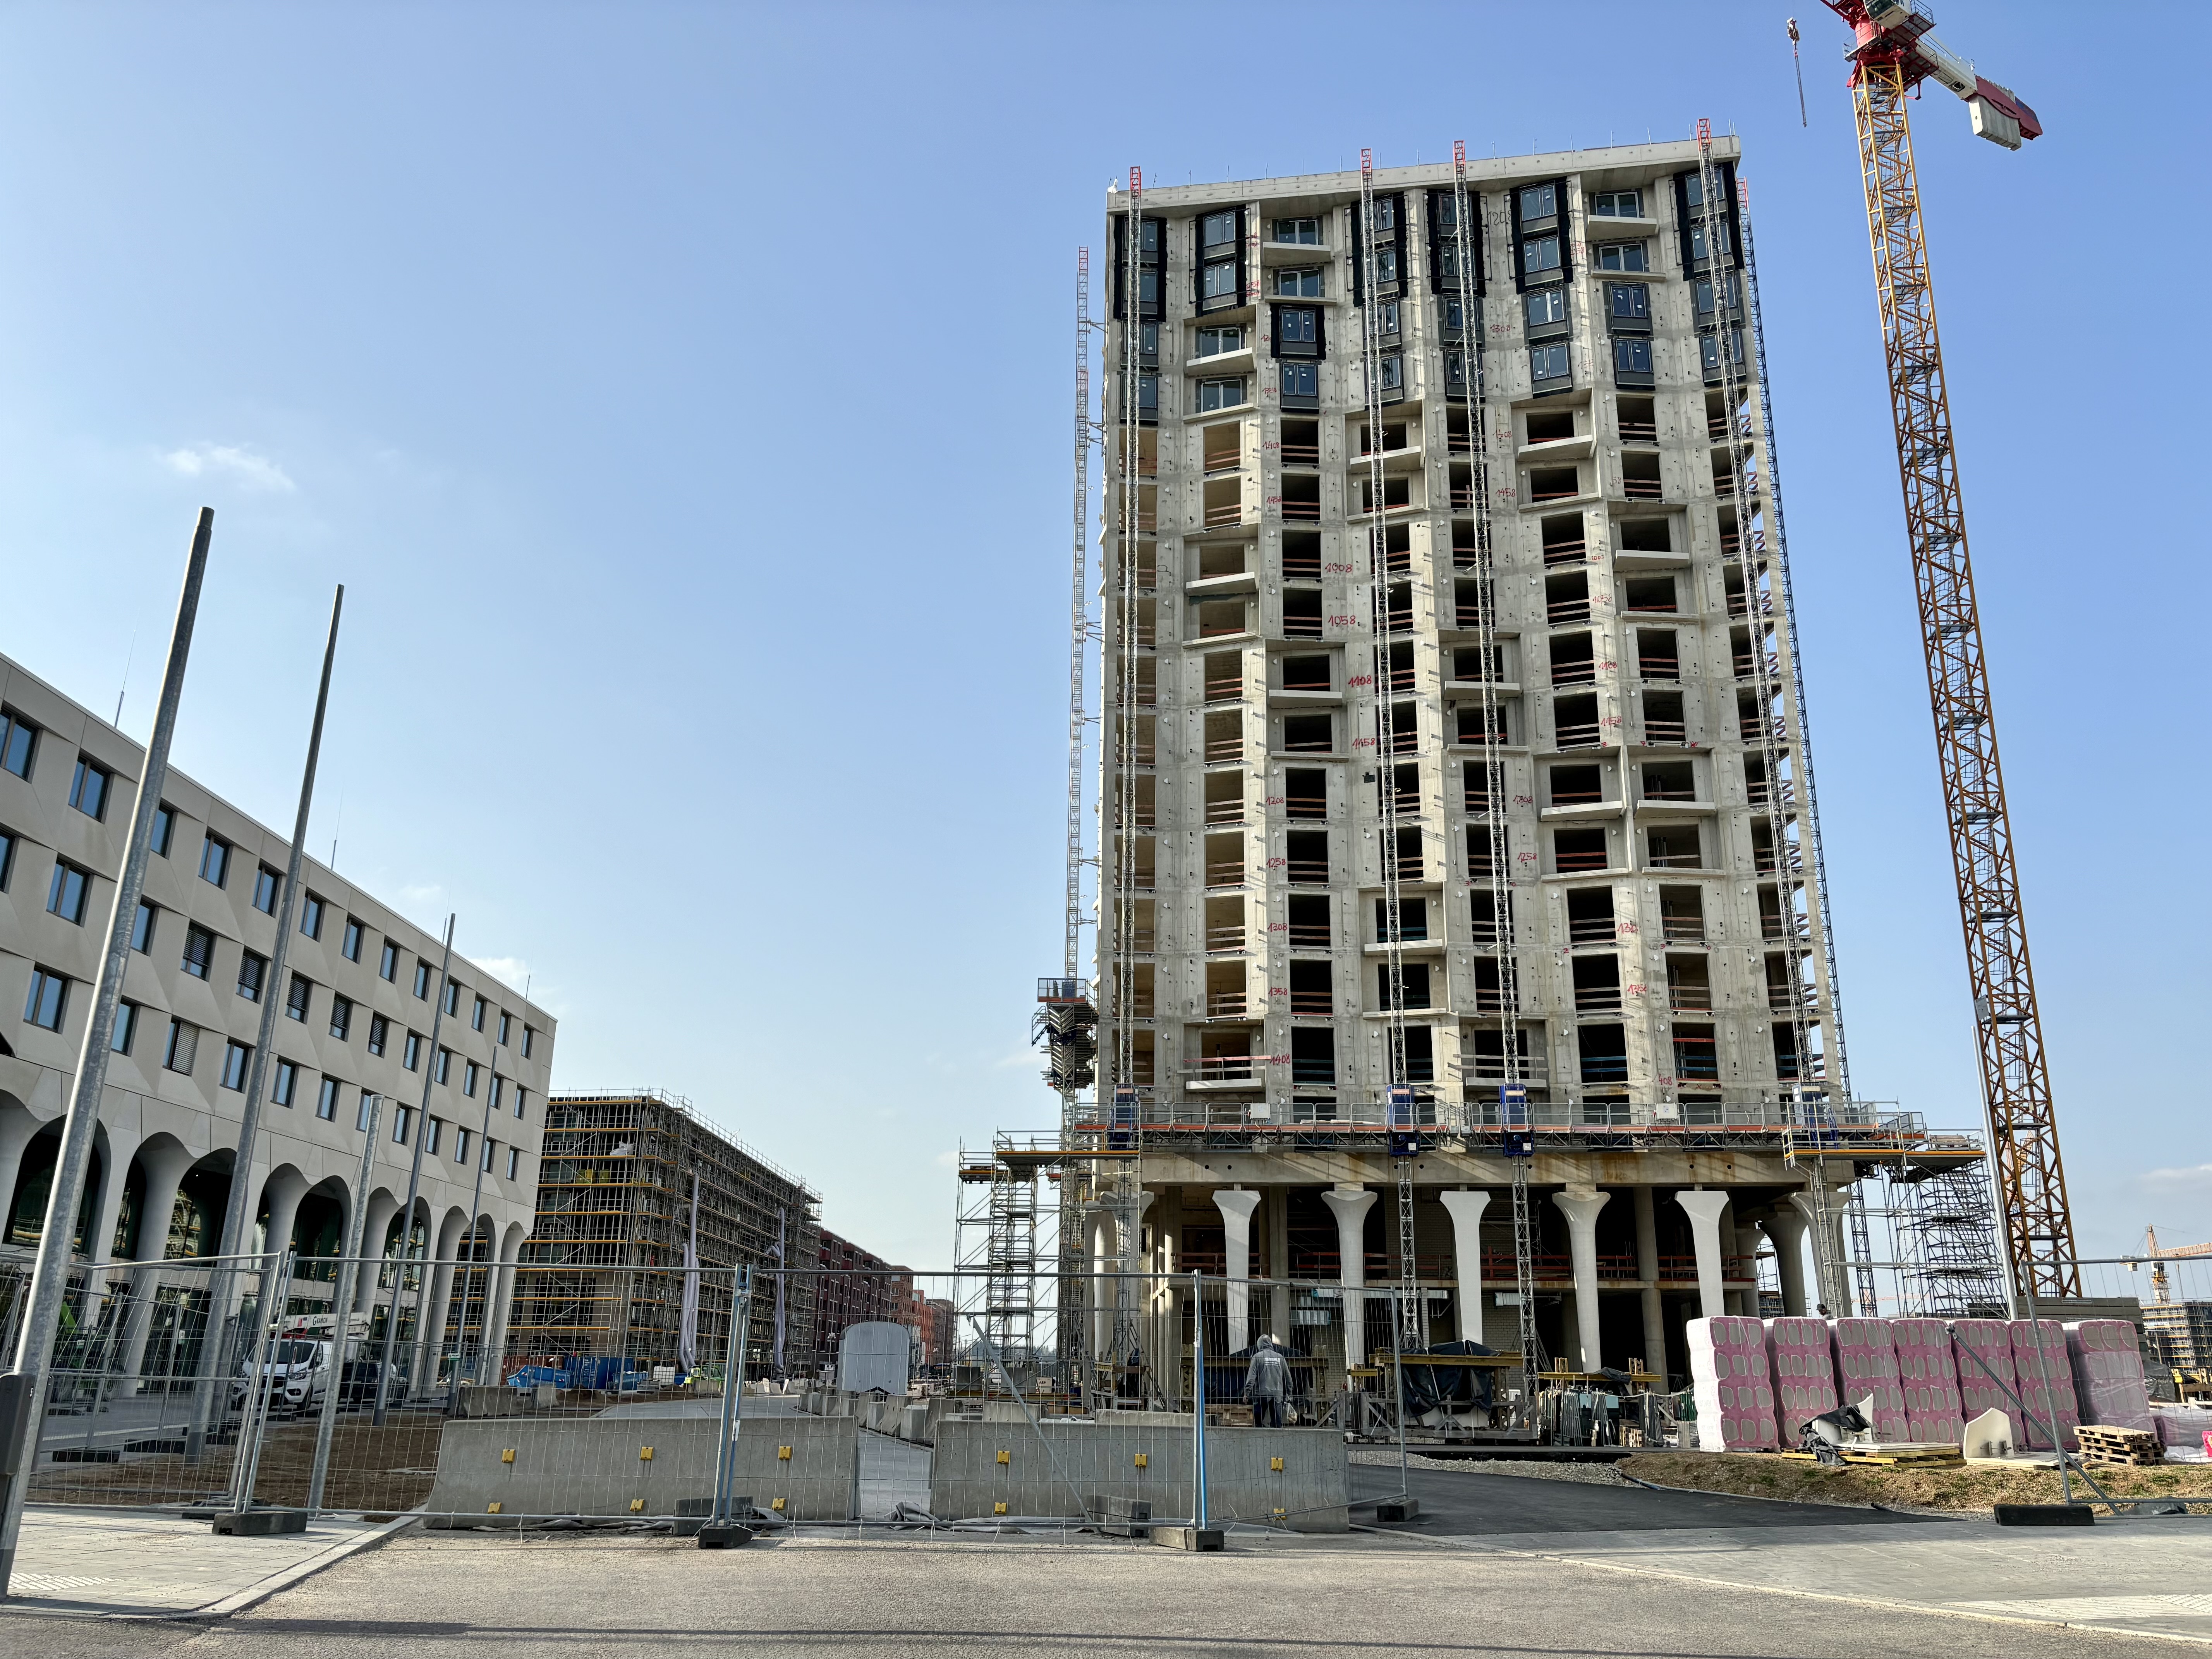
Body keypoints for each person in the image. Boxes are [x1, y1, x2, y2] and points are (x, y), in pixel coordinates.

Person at [1243, 1333, 1291, 1428]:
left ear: (1259, 1345)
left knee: (1258, 1422)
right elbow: (1288, 1378)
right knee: (1277, 1424)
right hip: (1277, 1395)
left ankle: (1261, 1438)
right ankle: (1276, 1439)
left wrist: (1247, 1393)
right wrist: (1289, 1395)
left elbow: (1251, 1378)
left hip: (1262, 1394)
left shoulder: (1257, 1357)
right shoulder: (1280, 1358)